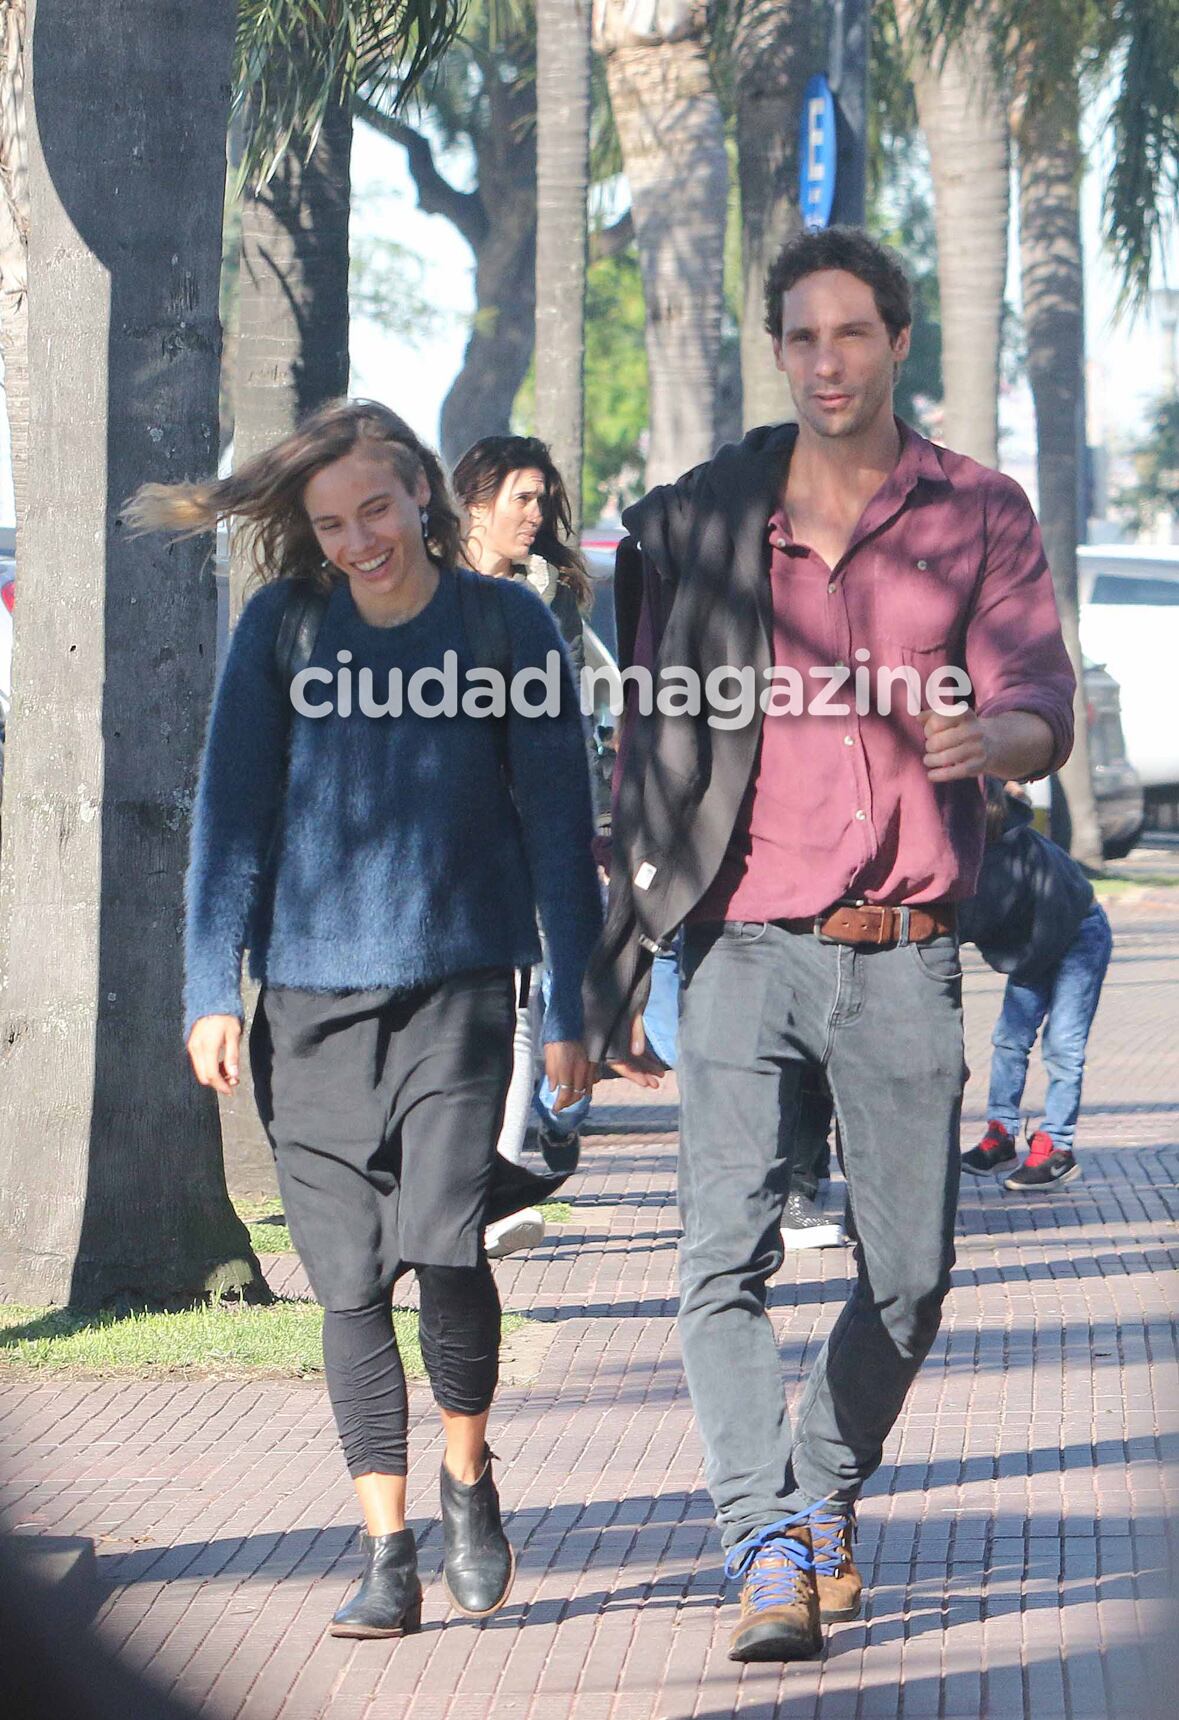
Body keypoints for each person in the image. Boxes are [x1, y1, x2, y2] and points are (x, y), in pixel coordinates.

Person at [584, 227, 1075, 1664]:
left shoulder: (975, 512)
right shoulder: (709, 520)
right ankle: (762, 1546)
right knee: (717, 1259)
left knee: (910, 1273)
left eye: (849, 334)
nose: (824, 361)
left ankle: (815, 1492)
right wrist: (623, 943)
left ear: (896, 342)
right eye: (799, 337)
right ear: (778, 349)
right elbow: (646, 755)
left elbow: (1040, 693)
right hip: (740, 937)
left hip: (905, 945)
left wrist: (994, 734)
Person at [126, 400, 601, 1639]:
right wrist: (205, 990)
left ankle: (467, 1476)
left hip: (455, 992)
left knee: (446, 1243)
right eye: (332, 524)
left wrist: (571, 998)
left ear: (424, 498)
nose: (358, 541)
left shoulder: (506, 624)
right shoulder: (281, 629)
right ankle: (388, 1549)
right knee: (345, 1287)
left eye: (376, 512)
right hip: (307, 1007)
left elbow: (558, 822)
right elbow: (228, 818)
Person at [453, 435, 605, 1254]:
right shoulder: (429, 587)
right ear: (475, 501)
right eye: (522, 498)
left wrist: (586, 819)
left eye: (544, 501)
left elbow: (570, 724)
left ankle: (498, 1183)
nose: (536, 514)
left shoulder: (556, 599)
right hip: (444, 828)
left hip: (528, 822)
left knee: (523, 999)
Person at [960, 780, 1112, 1189]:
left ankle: (1058, 1148)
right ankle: (1001, 1134)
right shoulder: (966, 854)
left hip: (1078, 933)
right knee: (1009, 1039)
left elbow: (1050, 917)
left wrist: (1023, 967)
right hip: (1036, 945)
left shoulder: (1021, 851)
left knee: (1062, 1045)